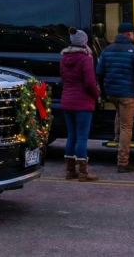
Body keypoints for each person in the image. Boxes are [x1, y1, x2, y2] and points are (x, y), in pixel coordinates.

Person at [96, 22, 134, 173]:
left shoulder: (107, 49)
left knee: (119, 111)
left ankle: (116, 138)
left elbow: (99, 72)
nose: (133, 35)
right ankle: (123, 162)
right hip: (127, 93)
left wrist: (105, 90)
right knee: (127, 126)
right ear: (128, 34)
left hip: (112, 92)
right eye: (132, 33)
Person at [59, 27, 99, 182]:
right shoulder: (85, 59)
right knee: (82, 137)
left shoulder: (64, 58)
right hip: (82, 102)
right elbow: (90, 82)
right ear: (84, 42)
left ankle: (70, 171)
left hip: (67, 100)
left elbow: (63, 78)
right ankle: (83, 173)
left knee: (71, 136)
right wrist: (96, 96)